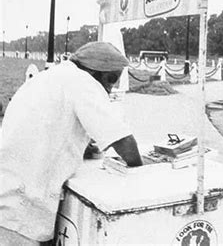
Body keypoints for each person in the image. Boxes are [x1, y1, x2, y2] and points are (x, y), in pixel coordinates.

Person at [0, 41, 143, 246]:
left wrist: (79, 147)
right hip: (20, 212)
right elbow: (122, 139)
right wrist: (140, 171)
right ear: (96, 73)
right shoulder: (83, 82)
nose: (109, 90)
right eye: (111, 81)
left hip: (8, 195)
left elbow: (45, 130)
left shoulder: (51, 76)